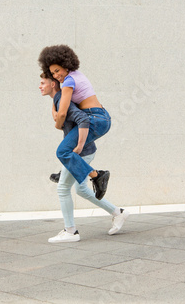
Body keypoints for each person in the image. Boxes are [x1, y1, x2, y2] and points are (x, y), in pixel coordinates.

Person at [39, 73, 129, 243]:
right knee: (81, 189)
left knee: (63, 188)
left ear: (53, 84)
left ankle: (71, 231)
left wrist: (79, 146)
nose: (39, 86)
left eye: (43, 83)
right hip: (84, 152)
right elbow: (61, 123)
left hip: (82, 152)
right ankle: (118, 212)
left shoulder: (61, 98)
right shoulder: (58, 99)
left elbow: (82, 119)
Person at [38, 45, 111, 200]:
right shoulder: (77, 75)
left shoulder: (69, 81)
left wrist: (57, 124)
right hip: (101, 116)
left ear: (66, 65)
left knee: (62, 151)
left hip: (94, 119)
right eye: (52, 73)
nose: (56, 75)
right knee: (68, 146)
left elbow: (63, 112)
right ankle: (68, 169)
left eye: (57, 70)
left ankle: (98, 175)